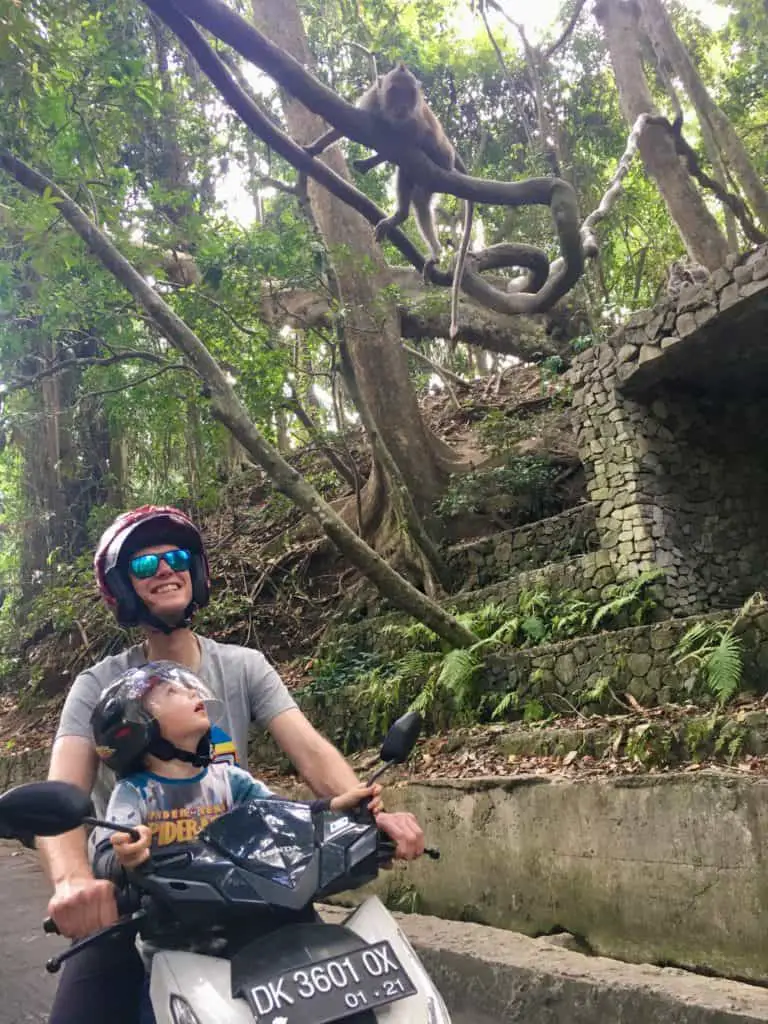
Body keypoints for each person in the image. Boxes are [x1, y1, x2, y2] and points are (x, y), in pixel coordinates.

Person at [38, 504, 424, 1024]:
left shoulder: (243, 666)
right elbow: (64, 792)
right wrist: (75, 882)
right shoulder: (99, 687)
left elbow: (308, 749)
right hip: (141, 898)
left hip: (253, 886)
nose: (166, 570)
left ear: (195, 573)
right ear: (123, 587)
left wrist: (367, 814)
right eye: (146, 565)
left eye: (175, 558)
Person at [90, 660, 381, 956]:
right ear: (138, 725)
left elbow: (283, 815)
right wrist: (124, 856)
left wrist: (333, 807)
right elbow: (106, 853)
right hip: (175, 945)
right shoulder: (134, 793)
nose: (192, 692)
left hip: (248, 921)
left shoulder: (229, 780)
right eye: (171, 692)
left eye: (189, 687)